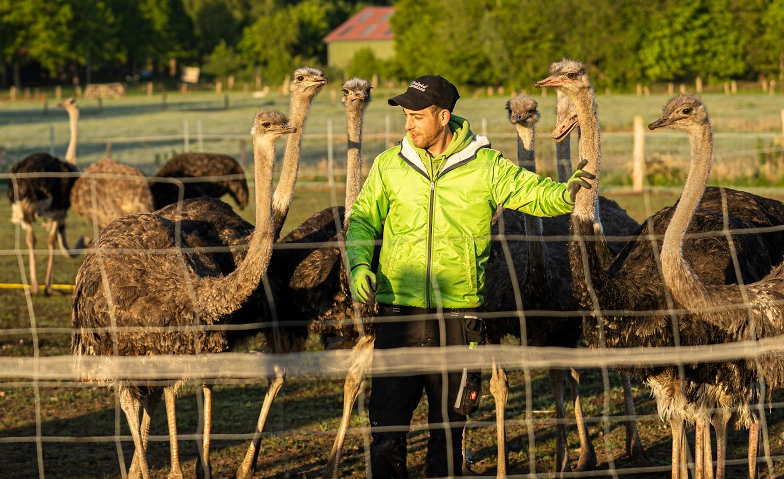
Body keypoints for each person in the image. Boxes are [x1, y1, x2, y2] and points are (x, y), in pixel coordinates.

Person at [346, 74, 593, 478]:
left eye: (416, 116)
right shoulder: (389, 166)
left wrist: (565, 194)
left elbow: (531, 192)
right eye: (406, 116)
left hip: (459, 321)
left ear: (443, 116)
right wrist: (359, 264)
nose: (408, 125)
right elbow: (361, 220)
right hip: (398, 316)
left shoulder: (485, 166)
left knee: (449, 430)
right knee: (386, 430)